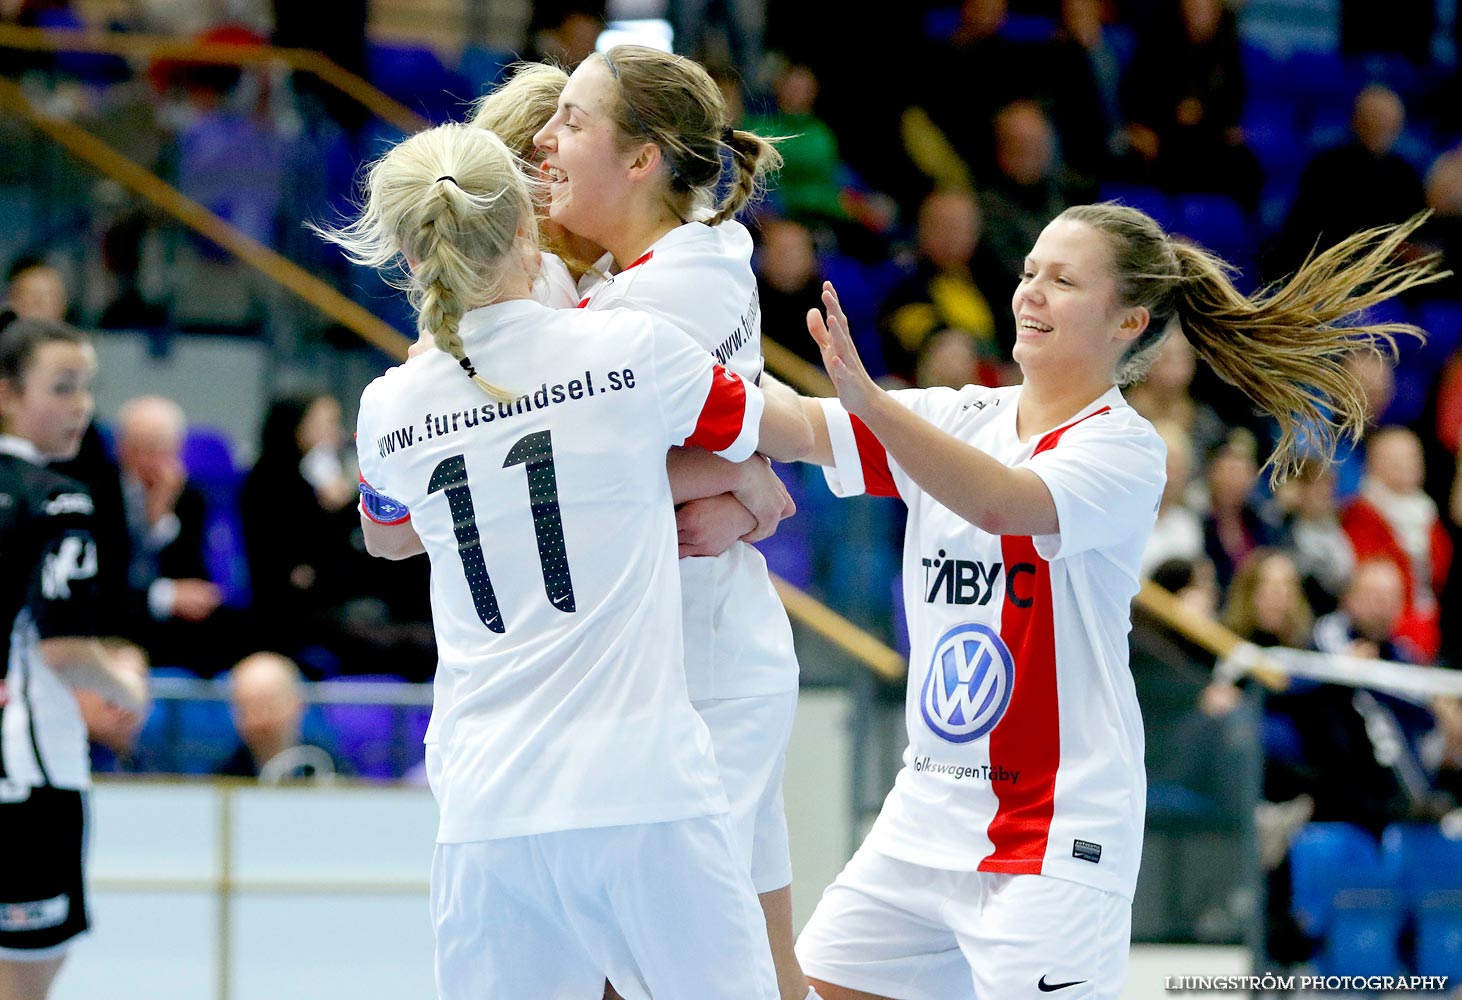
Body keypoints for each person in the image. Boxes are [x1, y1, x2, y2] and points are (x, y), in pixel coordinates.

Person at [779, 204, 1441, 999]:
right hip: (925, 815)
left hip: (1056, 836)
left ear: (1129, 319)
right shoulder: (959, 415)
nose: (1030, 294)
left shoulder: (1123, 449)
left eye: (1062, 280)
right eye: (1027, 273)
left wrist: (872, 403)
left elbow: (1004, 504)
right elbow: (787, 424)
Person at [318, 121, 810, 999]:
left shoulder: (387, 407)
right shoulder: (627, 352)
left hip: (485, 808)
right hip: (641, 787)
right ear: (524, 229)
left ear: (408, 255)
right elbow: (793, 429)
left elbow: (384, 532)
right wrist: (755, 481)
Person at [533, 45, 819, 1000]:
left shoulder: (671, 284)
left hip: (700, 669)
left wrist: (751, 477)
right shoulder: (658, 269)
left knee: (666, 969)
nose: (547, 141)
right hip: (684, 655)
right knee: (754, 958)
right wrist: (753, 478)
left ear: (644, 158)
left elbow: (593, 471)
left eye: (573, 120)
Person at [0, 318, 150, 1000]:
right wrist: (123, 685)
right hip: (28, 777)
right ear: (6, 394)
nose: (80, 406)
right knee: (26, 981)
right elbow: (63, 650)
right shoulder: (57, 499)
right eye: (61, 388)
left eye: (86, 388)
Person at [216, 652, 337, 781]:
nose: (259, 721)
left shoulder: (330, 766)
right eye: (246, 708)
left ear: (296, 704)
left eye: (269, 706)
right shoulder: (225, 775)